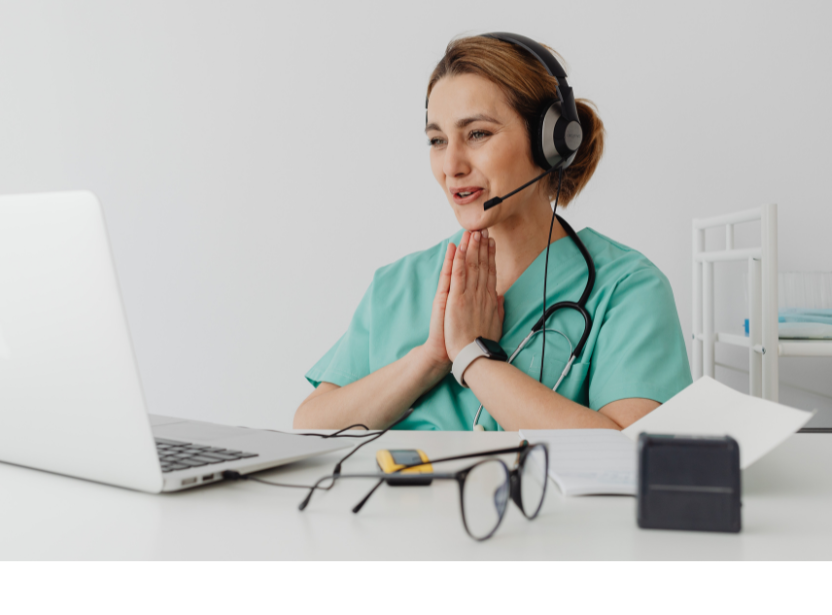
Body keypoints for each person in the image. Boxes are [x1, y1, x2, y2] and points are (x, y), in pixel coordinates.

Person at [293, 34, 692, 432]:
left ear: (550, 143)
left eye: (477, 134)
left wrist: (473, 358)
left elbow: (633, 459)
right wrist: (431, 358)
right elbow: (310, 425)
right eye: (437, 140)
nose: (451, 165)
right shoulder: (397, 286)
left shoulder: (627, 289)